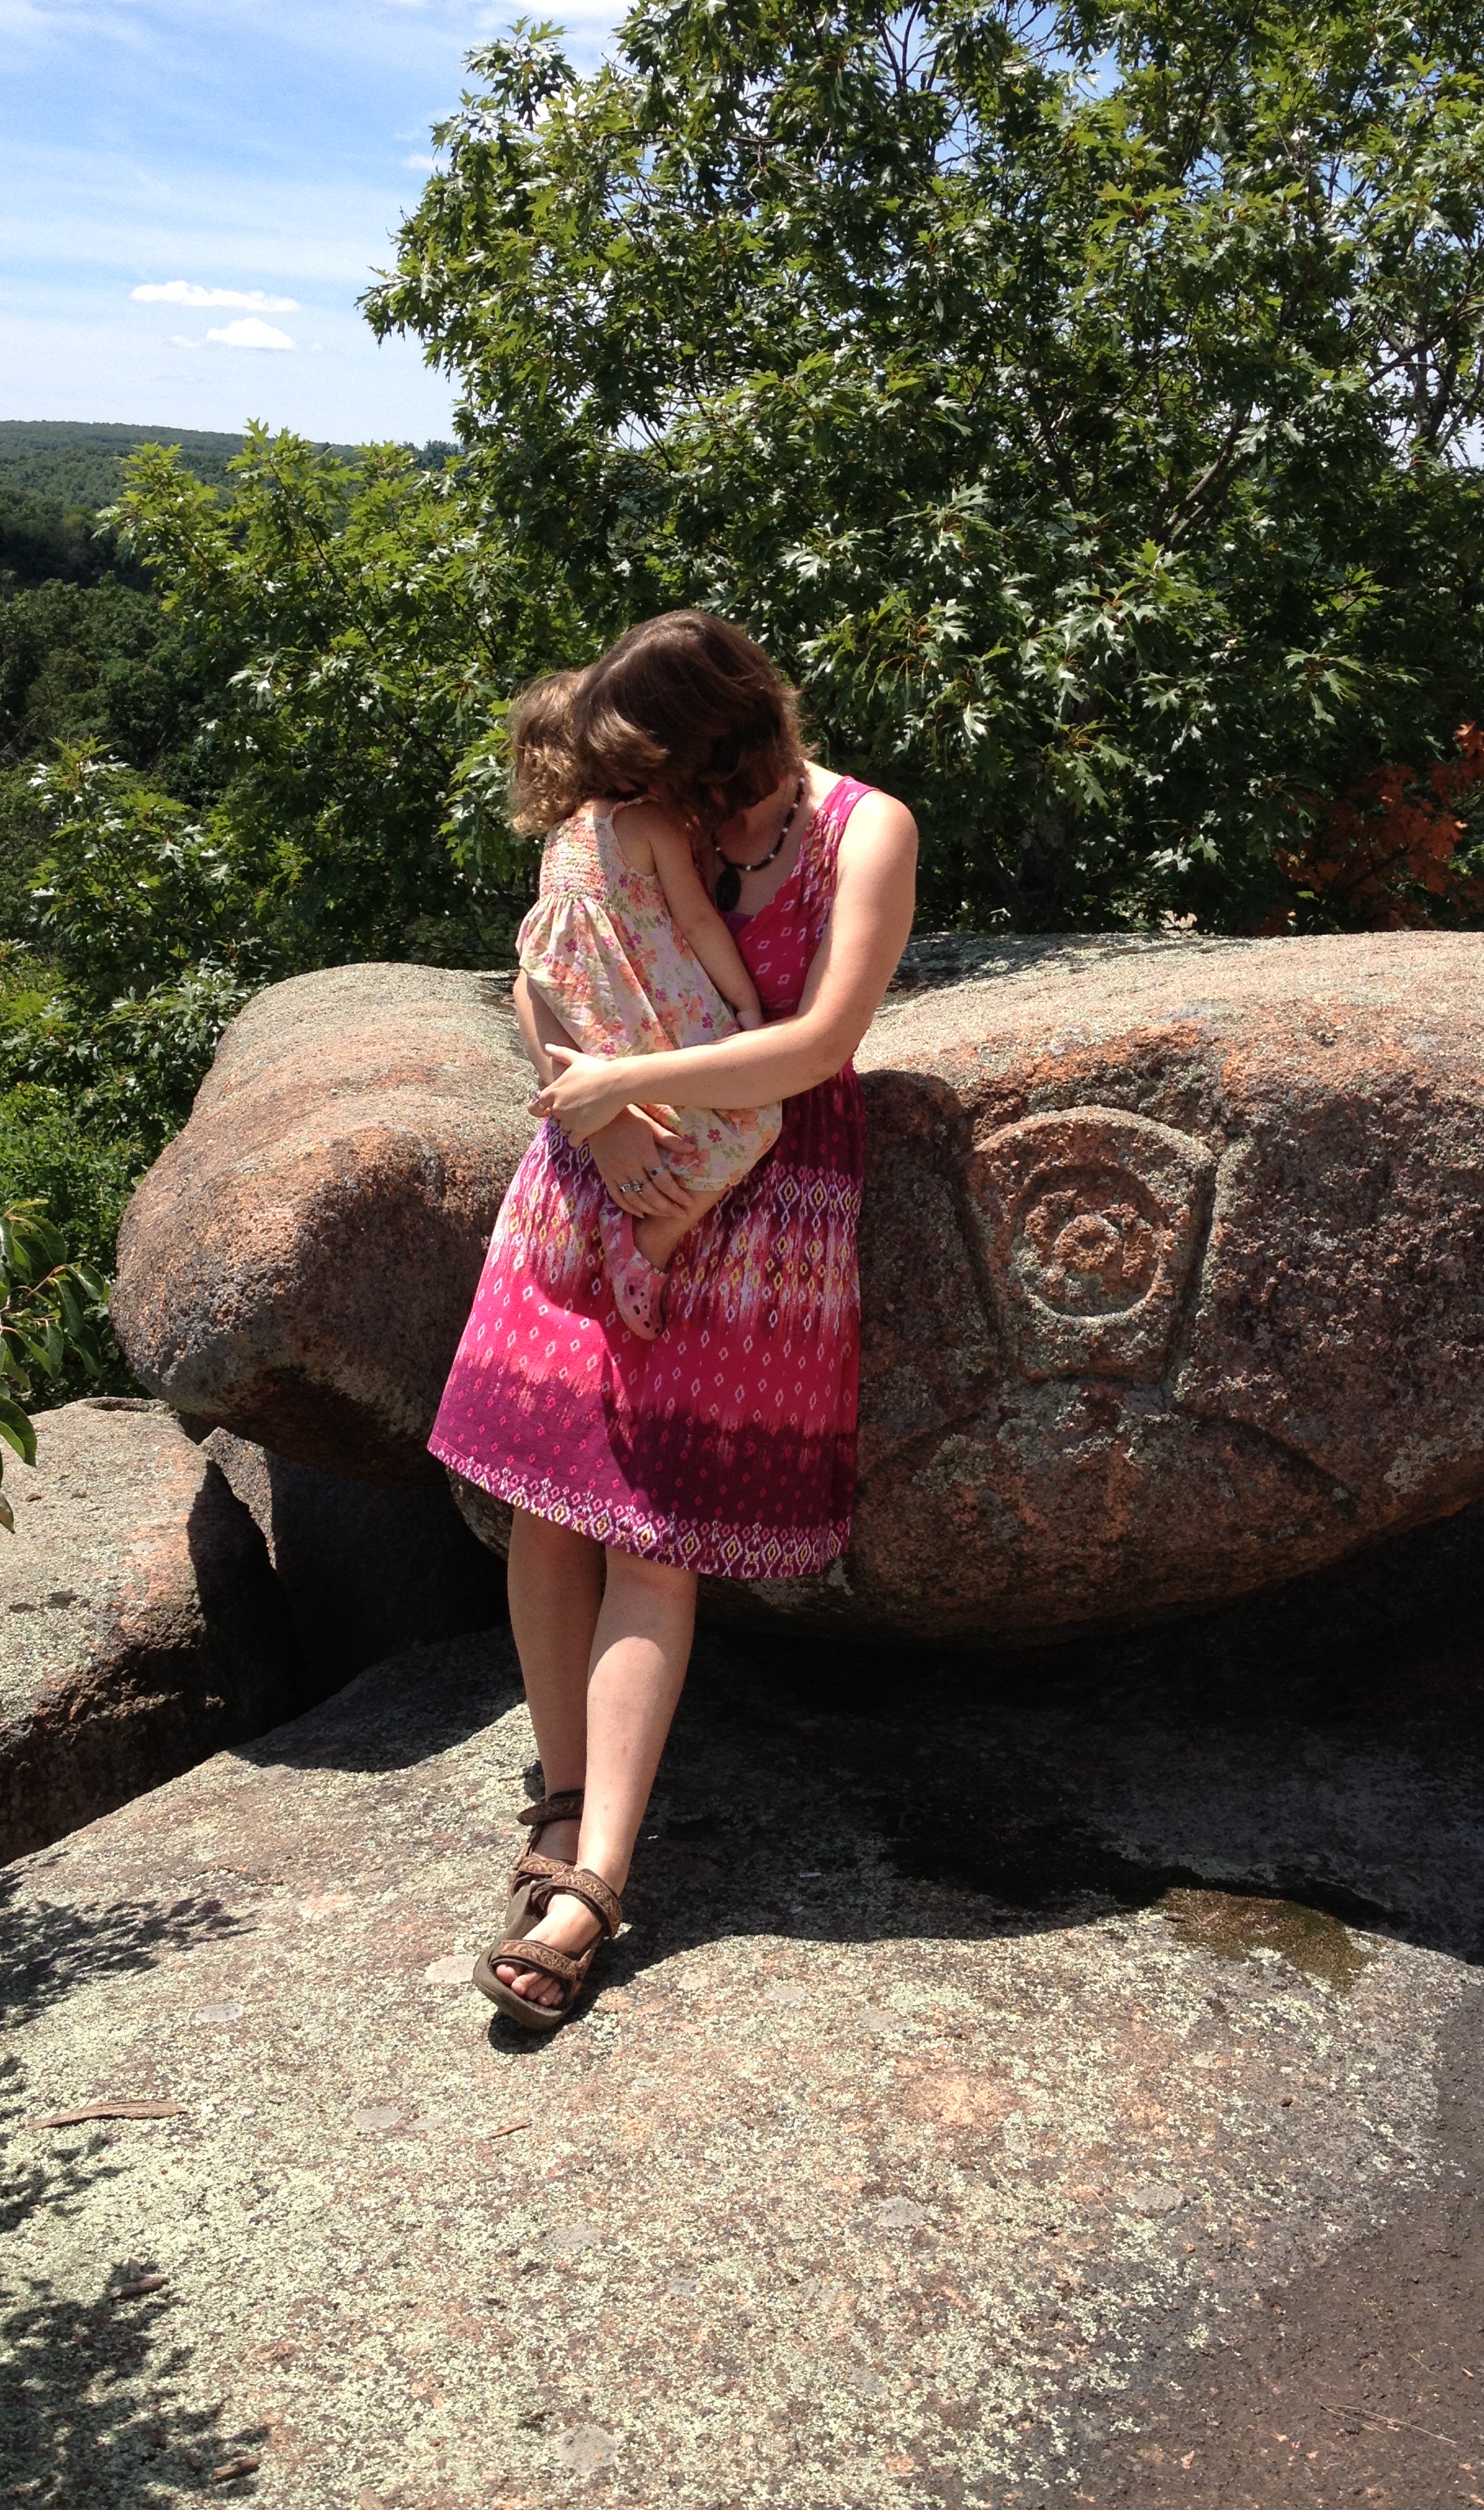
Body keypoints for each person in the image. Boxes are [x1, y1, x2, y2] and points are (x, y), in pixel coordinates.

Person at [427, 608, 917, 2030]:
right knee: (544, 1502)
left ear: (724, 737)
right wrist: (583, 1102)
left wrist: (626, 1096)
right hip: (598, 1166)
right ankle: (563, 1790)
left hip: (756, 1202)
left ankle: (592, 1879)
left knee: (652, 1531)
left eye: (655, 769)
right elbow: (543, 965)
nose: (635, 793)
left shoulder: (864, 830)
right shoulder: (653, 809)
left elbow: (820, 1043)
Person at [505, 667, 782, 1340]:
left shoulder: (559, 840)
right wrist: (746, 1005)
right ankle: (649, 1243)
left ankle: (633, 1232)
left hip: (603, 1026)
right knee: (754, 1121)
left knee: (680, 1136)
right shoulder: (647, 821)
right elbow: (698, 921)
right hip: (667, 1008)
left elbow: (543, 961)